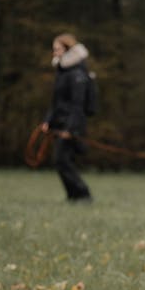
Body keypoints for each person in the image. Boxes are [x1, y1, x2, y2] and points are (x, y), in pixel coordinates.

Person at [42, 33, 92, 202]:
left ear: (67, 49)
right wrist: (48, 121)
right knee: (62, 161)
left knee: (62, 160)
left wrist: (70, 129)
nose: (54, 53)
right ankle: (74, 196)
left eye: (57, 49)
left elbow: (78, 105)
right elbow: (57, 102)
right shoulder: (62, 72)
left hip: (71, 126)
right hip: (60, 124)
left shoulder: (77, 74)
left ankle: (83, 194)